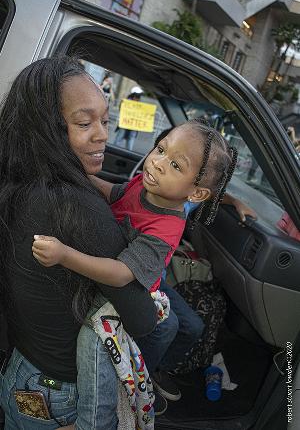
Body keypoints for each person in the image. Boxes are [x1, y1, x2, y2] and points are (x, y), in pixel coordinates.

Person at [32, 119, 253, 414]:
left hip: (139, 278)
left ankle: (142, 378)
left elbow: (122, 274)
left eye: (176, 165)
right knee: (174, 326)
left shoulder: (164, 230)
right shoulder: (147, 186)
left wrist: (64, 255)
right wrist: (80, 175)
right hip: (136, 273)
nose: (159, 163)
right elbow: (116, 194)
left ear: (197, 193)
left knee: (187, 327)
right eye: (161, 149)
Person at [0, 56, 158, 430]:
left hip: (21, 376)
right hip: (63, 399)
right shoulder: (77, 207)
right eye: (84, 123)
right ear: (45, 128)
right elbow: (143, 319)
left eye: (105, 119)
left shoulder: (15, 183)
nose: (103, 134)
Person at [113, 86, 143, 150]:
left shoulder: (140, 105)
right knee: (119, 140)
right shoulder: (125, 102)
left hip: (134, 126)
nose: (138, 98)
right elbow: (121, 109)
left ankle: (128, 155)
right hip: (125, 123)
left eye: (139, 96)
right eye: (137, 96)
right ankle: (114, 151)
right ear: (133, 95)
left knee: (130, 140)